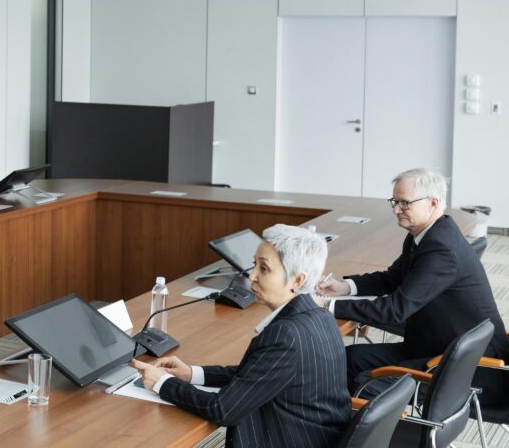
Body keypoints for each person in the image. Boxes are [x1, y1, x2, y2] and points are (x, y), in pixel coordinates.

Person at [133, 225, 351, 448]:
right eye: (254, 264)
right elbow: (255, 375)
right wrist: (192, 374)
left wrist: (162, 383)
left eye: (264, 269)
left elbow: (222, 409)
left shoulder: (286, 336)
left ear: (297, 280)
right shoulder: (319, 314)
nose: (252, 275)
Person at [317, 167, 508, 404]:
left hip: (468, 369)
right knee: (349, 358)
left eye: (404, 203)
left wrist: (327, 306)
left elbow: (394, 310)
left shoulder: (442, 249)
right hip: (438, 345)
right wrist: (345, 287)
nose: (396, 210)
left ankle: (365, 435)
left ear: (433, 203)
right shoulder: (427, 234)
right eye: (394, 202)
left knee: (367, 381)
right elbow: (393, 278)